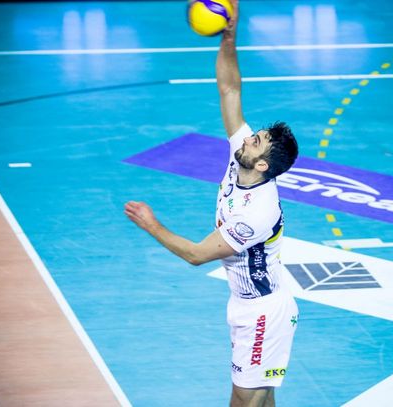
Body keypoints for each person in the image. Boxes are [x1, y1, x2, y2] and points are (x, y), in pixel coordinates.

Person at [124, 1, 299, 405]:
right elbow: (230, 89)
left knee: (244, 400)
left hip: (263, 312)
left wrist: (151, 224)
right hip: (243, 303)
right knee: (259, 398)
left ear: (262, 164)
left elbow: (196, 255)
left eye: (256, 141)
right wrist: (229, 39)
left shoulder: (257, 213)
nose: (248, 137)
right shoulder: (244, 159)